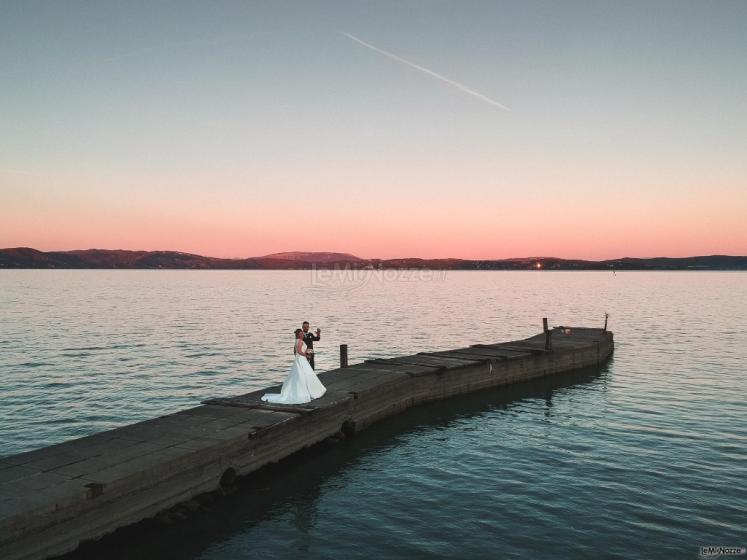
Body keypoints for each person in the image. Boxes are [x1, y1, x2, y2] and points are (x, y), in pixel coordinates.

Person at [261, 329, 326, 404]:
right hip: (301, 359)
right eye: (301, 334)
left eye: (302, 333)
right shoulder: (300, 341)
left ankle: (307, 390)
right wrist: (307, 355)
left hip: (299, 359)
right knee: (304, 374)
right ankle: (308, 392)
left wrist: (301, 355)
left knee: (301, 374)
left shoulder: (297, 341)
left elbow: (295, 352)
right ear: (298, 335)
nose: (302, 335)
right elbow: (298, 351)